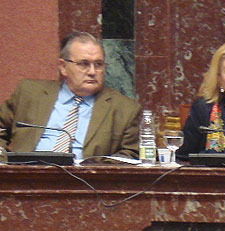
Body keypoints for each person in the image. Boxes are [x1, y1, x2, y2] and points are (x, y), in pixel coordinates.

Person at [0, 32, 141, 160]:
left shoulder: (125, 109)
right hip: (26, 177)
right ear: (63, 67)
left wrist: (94, 170)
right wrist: (5, 162)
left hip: (85, 183)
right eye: (83, 64)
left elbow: (130, 155)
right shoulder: (30, 92)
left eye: (98, 64)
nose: (92, 72)